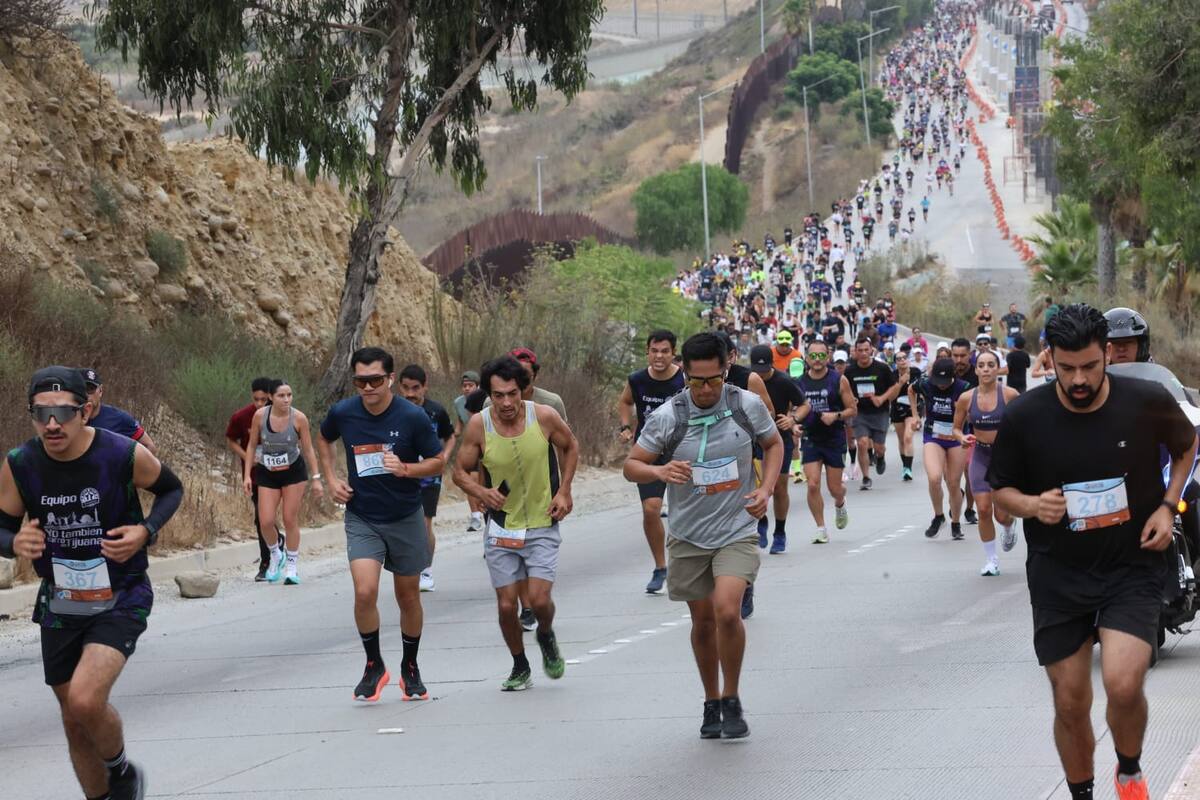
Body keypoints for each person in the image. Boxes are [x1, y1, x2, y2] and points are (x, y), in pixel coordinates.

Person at [989, 304, 1197, 800]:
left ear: (1106, 354)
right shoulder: (1025, 417)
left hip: (1131, 565)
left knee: (1123, 684)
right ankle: (1082, 793)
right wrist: (1033, 505)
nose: (1079, 379)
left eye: (1089, 365)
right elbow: (1001, 491)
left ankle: (1129, 769)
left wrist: (1167, 506)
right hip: (1058, 573)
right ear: (1050, 359)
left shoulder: (1145, 400)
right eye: (1067, 368)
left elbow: (1187, 446)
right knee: (1070, 701)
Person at [1, 365, 184, 800]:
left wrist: (145, 531)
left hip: (121, 592)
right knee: (73, 719)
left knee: (84, 699)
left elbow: (172, 489)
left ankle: (121, 772)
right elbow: (1, 529)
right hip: (61, 600)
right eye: (41, 413)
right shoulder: (21, 464)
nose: (51, 424)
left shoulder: (121, 454)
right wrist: (15, 542)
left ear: (85, 412)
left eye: (63, 412)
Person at [623, 332, 781, 740]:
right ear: (685, 376)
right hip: (689, 534)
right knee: (703, 621)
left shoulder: (745, 405)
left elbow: (773, 443)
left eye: (714, 380)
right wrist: (659, 470)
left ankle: (732, 697)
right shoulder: (669, 416)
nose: (706, 389)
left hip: (736, 528)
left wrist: (765, 489)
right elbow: (632, 465)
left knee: (728, 611)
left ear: (726, 371)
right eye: (697, 381)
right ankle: (711, 700)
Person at [316, 347, 446, 703]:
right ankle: (374, 664)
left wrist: (407, 469)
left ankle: (410, 666)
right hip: (363, 516)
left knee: (408, 596)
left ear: (390, 379)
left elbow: (437, 461)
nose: (368, 388)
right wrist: (331, 478)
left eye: (375, 380)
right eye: (360, 381)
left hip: (405, 516)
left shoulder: (412, 417)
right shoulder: (344, 412)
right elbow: (324, 437)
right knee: (364, 592)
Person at [453, 355, 578, 692]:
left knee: (538, 601)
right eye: (498, 396)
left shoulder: (544, 416)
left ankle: (546, 633)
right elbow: (459, 471)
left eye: (512, 394)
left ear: (522, 390)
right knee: (507, 605)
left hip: (541, 521)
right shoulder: (479, 425)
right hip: (502, 526)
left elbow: (570, 447)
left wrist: (564, 491)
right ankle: (520, 664)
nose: (506, 403)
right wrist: (481, 492)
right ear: (489, 395)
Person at [618, 330, 686, 594]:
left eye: (665, 351)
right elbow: (625, 402)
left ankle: (688, 560)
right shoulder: (637, 379)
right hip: (648, 451)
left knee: (686, 510)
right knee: (651, 509)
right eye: (654, 351)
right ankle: (660, 567)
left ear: (673, 353)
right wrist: (625, 426)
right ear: (647, 352)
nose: (659, 356)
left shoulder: (684, 379)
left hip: (682, 448)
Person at [242, 379, 324, 584]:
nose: (286, 399)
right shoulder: (260, 416)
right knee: (266, 521)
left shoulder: (299, 418)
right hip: (267, 471)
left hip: (293, 472)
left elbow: (308, 449)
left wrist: (316, 478)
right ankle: (276, 554)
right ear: (271, 397)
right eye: (281, 395)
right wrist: (247, 475)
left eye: (289, 395)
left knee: (289, 519)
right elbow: (251, 446)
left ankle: (292, 567)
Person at [952, 351, 1019, 576]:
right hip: (980, 455)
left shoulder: (1010, 395)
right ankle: (991, 560)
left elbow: (1025, 423)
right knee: (982, 509)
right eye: (982, 365)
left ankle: (1009, 525)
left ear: (998, 368)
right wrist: (962, 438)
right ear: (976, 369)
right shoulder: (966, 398)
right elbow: (956, 428)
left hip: (1004, 459)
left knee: (1001, 515)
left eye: (991, 364)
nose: (986, 369)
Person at [398, 365, 457, 593]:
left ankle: (426, 570)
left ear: (425, 387)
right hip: (401, 475)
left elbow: (450, 437)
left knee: (424, 524)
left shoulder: (436, 411)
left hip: (429, 477)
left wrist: (444, 458)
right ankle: (408, 569)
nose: (410, 393)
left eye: (415, 388)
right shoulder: (394, 409)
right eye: (406, 388)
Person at [795, 339, 856, 544]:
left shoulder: (838, 380)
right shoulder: (800, 383)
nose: (817, 360)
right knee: (812, 484)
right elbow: (792, 410)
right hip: (811, 437)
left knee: (834, 488)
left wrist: (836, 416)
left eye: (821, 355)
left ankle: (840, 502)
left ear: (828, 357)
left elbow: (852, 409)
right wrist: (794, 425)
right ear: (807, 358)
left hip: (834, 438)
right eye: (813, 356)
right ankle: (821, 528)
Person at [749, 345, 806, 554]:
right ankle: (762, 521)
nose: (761, 375)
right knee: (757, 485)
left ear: (772, 365)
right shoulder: (747, 380)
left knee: (779, 487)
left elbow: (804, 405)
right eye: (758, 371)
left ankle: (780, 532)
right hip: (754, 440)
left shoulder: (783, 381)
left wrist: (793, 419)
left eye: (765, 371)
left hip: (779, 439)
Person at [226, 377, 282, 581]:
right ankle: (266, 562)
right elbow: (231, 440)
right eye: (255, 399)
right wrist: (247, 458)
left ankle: (278, 543)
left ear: (271, 397)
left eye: (263, 400)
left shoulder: (282, 414)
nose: (259, 404)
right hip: (257, 475)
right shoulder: (241, 416)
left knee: (273, 517)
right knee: (261, 518)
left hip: (280, 473)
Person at [910, 358, 970, 539]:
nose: (941, 385)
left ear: (953, 376)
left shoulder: (964, 388)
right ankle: (939, 516)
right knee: (934, 477)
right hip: (933, 436)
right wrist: (915, 415)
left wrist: (963, 413)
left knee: (953, 483)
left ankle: (956, 523)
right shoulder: (926, 384)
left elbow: (973, 410)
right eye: (938, 381)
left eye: (945, 382)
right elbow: (910, 390)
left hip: (956, 438)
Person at [844, 337, 900, 490]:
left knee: (879, 446)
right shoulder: (849, 371)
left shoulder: (882, 368)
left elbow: (894, 387)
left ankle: (880, 456)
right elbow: (844, 390)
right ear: (855, 352)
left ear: (871, 350)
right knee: (862, 443)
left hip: (879, 412)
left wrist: (882, 398)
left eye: (866, 350)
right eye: (860, 350)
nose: (863, 353)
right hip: (860, 413)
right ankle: (866, 477)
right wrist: (851, 400)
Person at [78, 369, 157, 454]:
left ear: (100, 391)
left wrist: (125, 462)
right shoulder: (70, 416)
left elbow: (149, 446)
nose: (86, 395)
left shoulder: (119, 419)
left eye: (90, 389)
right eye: (81, 389)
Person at [452, 370, 485, 532]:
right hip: (471, 444)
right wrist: (450, 435)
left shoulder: (486, 398)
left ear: (477, 386)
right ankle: (475, 517)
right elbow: (459, 425)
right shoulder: (458, 402)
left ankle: (490, 512)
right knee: (469, 479)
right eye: (464, 386)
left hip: (487, 443)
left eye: (470, 385)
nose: (466, 388)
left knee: (483, 479)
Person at [891, 350, 921, 481]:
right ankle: (905, 466)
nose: (902, 360)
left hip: (912, 408)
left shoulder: (915, 372)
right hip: (897, 408)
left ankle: (908, 469)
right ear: (895, 363)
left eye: (904, 357)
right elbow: (891, 396)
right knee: (901, 439)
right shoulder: (892, 375)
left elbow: (920, 390)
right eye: (899, 359)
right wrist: (901, 383)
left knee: (908, 437)